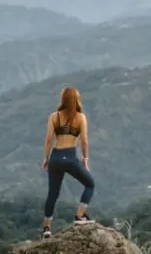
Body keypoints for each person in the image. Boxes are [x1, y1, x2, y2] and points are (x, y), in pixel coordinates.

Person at [40, 85, 95, 239]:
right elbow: (84, 140)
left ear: (63, 99)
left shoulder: (54, 117)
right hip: (71, 157)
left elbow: (49, 139)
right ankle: (80, 216)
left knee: (53, 194)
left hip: (56, 157)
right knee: (90, 184)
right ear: (76, 100)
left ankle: (47, 228)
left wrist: (46, 158)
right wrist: (85, 159)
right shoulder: (80, 117)